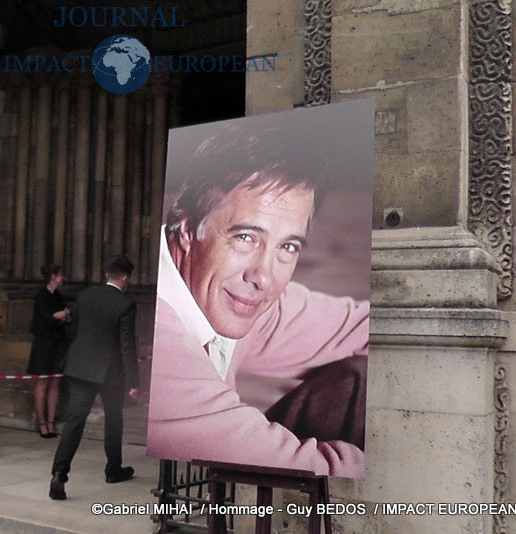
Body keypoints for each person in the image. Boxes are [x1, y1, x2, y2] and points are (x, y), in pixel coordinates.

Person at [147, 121, 369, 478]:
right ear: (187, 230)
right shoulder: (157, 337)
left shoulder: (230, 292)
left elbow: (368, 326)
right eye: (245, 238)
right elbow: (310, 471)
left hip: (213, 487)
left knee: (364, 377)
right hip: (188, 501)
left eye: (288, 246)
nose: (263, 278)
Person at [49, 256, 140, 500]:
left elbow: (74, 328)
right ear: (125, 278)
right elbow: (127, 346)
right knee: (113, 419)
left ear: (106, 275)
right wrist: (134, 381)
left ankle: (59, 472)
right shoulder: (125, 304)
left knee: (75, 420)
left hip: (80, 366)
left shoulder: (86, 296)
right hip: (110, 370)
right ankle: (113, 470)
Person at [27, 265, 70, 438]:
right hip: (44, 343)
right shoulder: (41, 296)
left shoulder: (59, 296)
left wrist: (61, 316)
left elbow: (67, 318)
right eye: (61, 275)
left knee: (55, 383)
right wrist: (59, 316)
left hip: (58, 342)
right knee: (43, 382)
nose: (63, 278)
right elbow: (48, 319)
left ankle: (51, 422)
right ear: (53, 276)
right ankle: (41, 422)